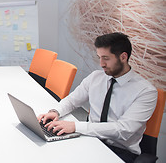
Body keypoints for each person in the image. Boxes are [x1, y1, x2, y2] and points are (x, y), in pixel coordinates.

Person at [37, 32, 157, 163]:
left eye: (106, 58)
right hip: (89, 139)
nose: (101, 64)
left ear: (123, 57)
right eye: (99, 57)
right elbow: (72, 101)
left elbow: (123, 130)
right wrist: (56, 111)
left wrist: (76, 127)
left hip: (119, 151)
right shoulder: (96, 77)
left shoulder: (145, 91)